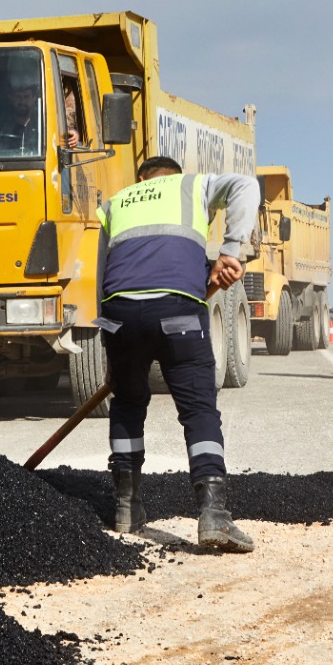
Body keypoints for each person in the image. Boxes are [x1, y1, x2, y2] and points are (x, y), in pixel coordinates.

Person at [96, 155, 260, 552]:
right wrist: (232, 249)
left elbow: (102, 271)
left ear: (141, 178)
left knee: (128, 404)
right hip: (177, 311)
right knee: (199, 410)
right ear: (175, 175)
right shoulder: (193, 186)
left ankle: (126, 508)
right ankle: (214, 515)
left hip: (119, 315)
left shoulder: (116, 202)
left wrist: (110, 338)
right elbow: (247, 186)